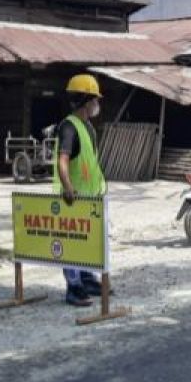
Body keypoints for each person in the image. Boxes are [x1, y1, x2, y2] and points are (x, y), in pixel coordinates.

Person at [54, 74, 108, 308]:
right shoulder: (69, 127)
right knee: (72, 242)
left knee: (89, 240)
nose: (97, 104)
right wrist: (68, 188)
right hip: (73, 198)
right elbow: (62, 160)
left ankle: (87, 278)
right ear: (87, 101)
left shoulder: (87, 126)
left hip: (90, 197)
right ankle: (73, 287)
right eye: (95, 99)